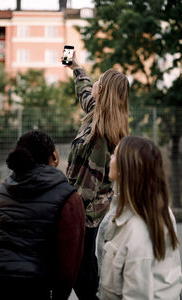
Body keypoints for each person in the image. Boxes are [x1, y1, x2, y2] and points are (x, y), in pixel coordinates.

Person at [0, 129, 85, 300]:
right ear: (54, 155)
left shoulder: (0, 191)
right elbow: (68, 264)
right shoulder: (69, 199)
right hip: (31, 287)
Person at [64, 51, 129, 299]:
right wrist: (75, 67)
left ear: (103, 91)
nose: (96, 83)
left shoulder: (102, 134)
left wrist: (69, 210)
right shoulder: (96, 114)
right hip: (81, 208)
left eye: (99, 81)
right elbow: (85, 91)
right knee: (82, 263)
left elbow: (87, 188)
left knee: (82, 268)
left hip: (85, 213)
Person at [98, 136, 182, 300]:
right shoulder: (154, 211)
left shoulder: (137, 232)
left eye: (115, 155)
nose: (110, 158)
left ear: (125, 168)